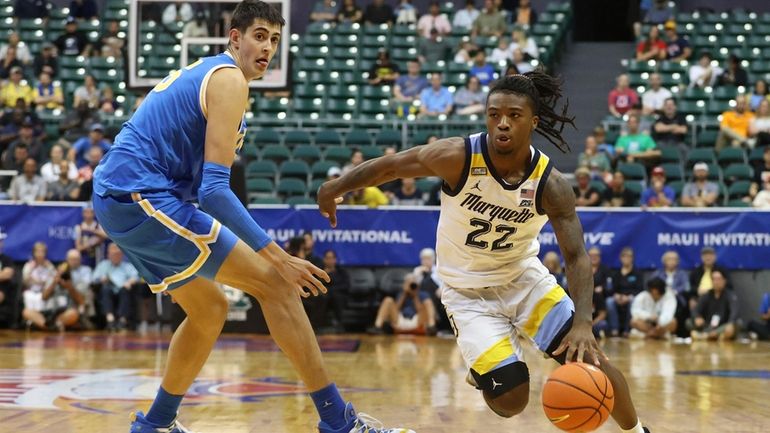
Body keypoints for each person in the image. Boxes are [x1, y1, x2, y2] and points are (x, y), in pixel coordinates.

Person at [93, 3, 411, 432]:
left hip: (125, 196)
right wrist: (278, 256)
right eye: (259, 36)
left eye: (275, 39)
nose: (267, 47)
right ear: (235, 37)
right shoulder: (228, 80)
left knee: (210, 309)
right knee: (277, 284)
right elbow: (213, 191)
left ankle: (156, 424)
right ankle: (339, 423)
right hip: (139, 193)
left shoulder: (216, 77)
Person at [318, 70, 652, 433]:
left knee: (591, 359)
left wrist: (584, 324)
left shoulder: (551, 184)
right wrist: (337, 186)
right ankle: (483, 371)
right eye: (494, 115)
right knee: (512, 402)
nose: (502, 124)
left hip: (523, 279)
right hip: (466, 294)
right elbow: (391, 167)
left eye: (514, 115)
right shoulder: (457, 157)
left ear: (533, 122)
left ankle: (638, 431)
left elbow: (576, 256)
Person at [367, 273, 437, 335]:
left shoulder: (423, 294)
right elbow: (397, 309)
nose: (411, 286)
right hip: (400, 320)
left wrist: (415, 296)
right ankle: (377, 327)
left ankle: (431, 327)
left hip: (417, 321)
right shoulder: (401, 294)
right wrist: (404, 294)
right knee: (388, 300)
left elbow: (420, 310)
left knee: (428, 302)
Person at [93, 243, 138, 331]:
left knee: (125, 291)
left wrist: (129, 282)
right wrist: (101, 279)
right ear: (108, 255)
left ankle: (122, 321)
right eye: (113, 254)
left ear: (121, 255)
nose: (115, 256)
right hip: (108, 290)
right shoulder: (103, 265)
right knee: (105, 289)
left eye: (117, 254)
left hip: (123, 289)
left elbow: (135, 276)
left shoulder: (127, 266)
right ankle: (110, 320)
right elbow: (94, 278)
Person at [606, 247, 643, 337]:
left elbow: (640, 290)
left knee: (633, 301)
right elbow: (611, 290)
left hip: (631, 297)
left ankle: (627, 329)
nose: (626, 259)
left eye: (629, 256)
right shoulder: (616, 273)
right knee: (609, 301)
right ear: (621, 258)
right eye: (624, 256)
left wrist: (628, 297)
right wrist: (616, 295)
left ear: (632, 258)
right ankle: (614, 328)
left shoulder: (637, 273)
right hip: (618, 297)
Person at [690, 270, 738, 341]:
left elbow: (734, 312)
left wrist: (730, 323)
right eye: (714, 279)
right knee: (689, 322)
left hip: (723, 324)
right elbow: (696, 310)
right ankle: (713, 336)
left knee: (735, 325)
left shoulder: (730, 296)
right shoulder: (706, 295)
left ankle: (707, 336)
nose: (716, 282)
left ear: (724, 281)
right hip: (707, 324)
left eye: (719, 279)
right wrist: (697, 317)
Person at [21, 242, 57, 328]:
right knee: (29, 296)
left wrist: (50, 268)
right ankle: (37, 322)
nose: (40, 254)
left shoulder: (49, 265)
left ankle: (42, 322)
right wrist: (32, 269)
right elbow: (25, 281)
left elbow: (55, 279)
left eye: (42, 252)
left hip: (45, 293)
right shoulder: (29, 265)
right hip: (31, 292)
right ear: (34, 253)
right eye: (38, 252)